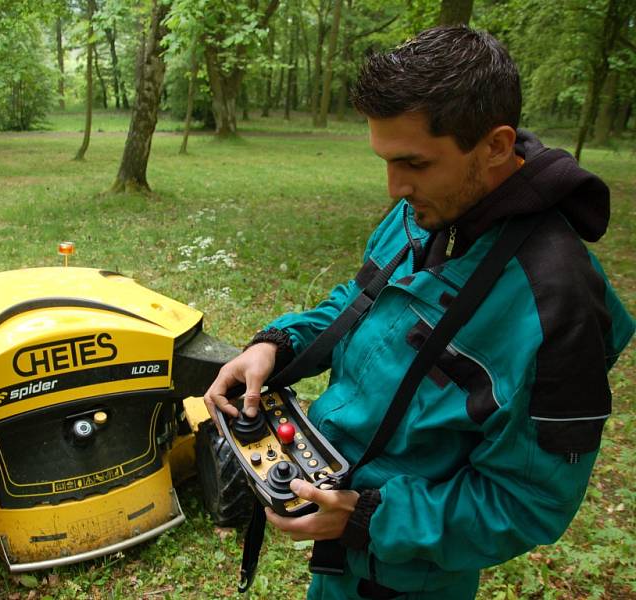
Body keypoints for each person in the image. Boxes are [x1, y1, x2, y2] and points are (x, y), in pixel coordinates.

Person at [204, 25, 635, 600]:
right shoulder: (429, 208)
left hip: (411, 577)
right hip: (339, 552)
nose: (394, 186)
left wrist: (364, 519)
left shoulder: (560, 306)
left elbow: (529, 503)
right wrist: (276, 345)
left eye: (414, 163)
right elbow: (358, 303)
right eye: (385, 160)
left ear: (497, 146)